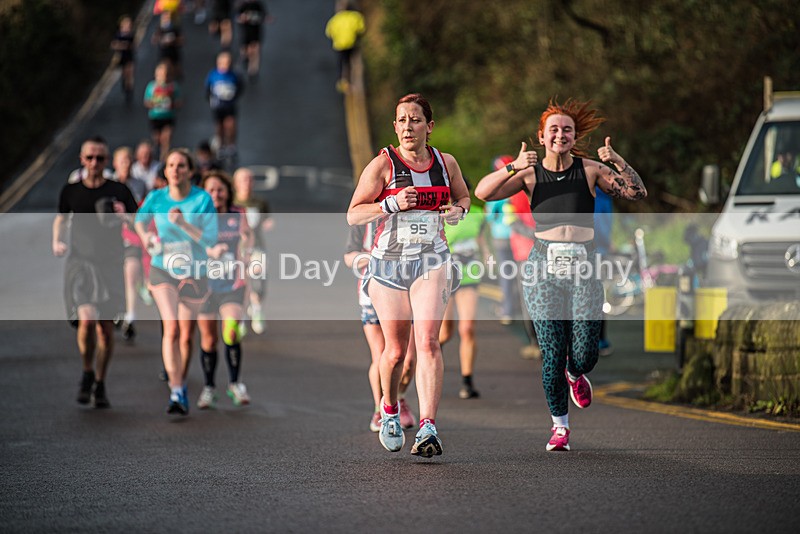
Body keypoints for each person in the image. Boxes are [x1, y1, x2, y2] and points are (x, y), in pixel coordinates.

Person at [475, 98, 647, 452]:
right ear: (541, 137)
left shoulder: (591, 170)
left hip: (584, 266)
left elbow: (636, 192)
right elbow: (482, 192)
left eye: (567, 129)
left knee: (586, 353)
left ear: (574, 136)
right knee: (551, 353)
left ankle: (576, 372)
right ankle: (560, 426)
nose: (560, 135)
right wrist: (513, 167)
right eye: (553, 129)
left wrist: (619, 162)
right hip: (542, 267)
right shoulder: (528, 174)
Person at [347, 93, 470, 457]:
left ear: (429, 126)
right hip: (388, 264)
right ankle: (388, 409)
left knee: (428, 342)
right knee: (395, 352)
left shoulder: (446, 163)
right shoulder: (382, 164)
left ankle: (429, 427)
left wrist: (458, 212)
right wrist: (390, 203)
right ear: (395, 126)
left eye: (415, 120)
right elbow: (353, 214)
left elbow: (464, 199)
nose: (407, 127)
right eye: (401, 120)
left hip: (431, 260)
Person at [52, 136, 138, 408]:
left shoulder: (119, 190)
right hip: (81, 264)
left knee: (106, 331)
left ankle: (100, 382)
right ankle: (87, 371)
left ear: (106, 160)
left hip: (110, 264)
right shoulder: (71, 191)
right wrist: (57, 240)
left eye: (100, 158)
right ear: (82, 160)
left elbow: (138, 223)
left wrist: (125, 216)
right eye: (89, 157)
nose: (94, 162)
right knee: (87, 320)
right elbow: (61, 218)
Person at [135, 149, 218, 415]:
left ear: (190, 171)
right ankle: (177, 390)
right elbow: (139, 220)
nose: (175, 170)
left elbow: (210, 239)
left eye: (181, 165)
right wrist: (146, 238)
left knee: (186, 335)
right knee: (171, 328)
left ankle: (179, 382)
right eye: (171, 165)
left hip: (194, 272)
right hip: (163, 269)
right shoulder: (156, 197)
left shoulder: (202, 199)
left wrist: (182, 223)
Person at [344, 223, 417, 432]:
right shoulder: (366, 217)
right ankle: (380, 410)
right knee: (381, 356)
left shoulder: (408, 213)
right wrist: (375, 257)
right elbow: (349, 257)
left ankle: (398, 397)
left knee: (408, 360)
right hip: (372, 292)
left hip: (407, 291)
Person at [196, 171, 254, 409]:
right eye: (210, 190)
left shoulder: (238, 215)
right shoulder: (198, 217)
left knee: (231, 332)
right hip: (205, 285)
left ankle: (235, 383)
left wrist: (249, 255)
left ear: (228, 192)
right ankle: (209, 387)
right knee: (209, 340)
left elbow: (248, 242)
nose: (216, 194)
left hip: (231, 284)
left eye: (220, 189)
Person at [439, 181, 486, 399]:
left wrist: (488, 259)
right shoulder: (439, 214)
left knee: (467, 328)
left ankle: (467, 381)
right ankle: (430, 357)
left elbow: (480, 240)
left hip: (469, 275)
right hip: (445, 276)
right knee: (444, 332)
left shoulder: (477, 213)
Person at [111, 146, 148, 341]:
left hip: (131, 235)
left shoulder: (140, 185)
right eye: (122, 160)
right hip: (109, 238)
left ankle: (130, 317)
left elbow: (144, 212)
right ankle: (116, 310)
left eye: (128, 160)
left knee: (130, 273)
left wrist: (127, 216)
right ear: (114, 163)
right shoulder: (107, 185)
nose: (126, 164)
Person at [232, 167, 272, 334]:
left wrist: (268, 223)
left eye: (249, 179)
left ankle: (256, 308)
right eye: (243, 180)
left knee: (258, 272)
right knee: (241, 283)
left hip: (256, 247)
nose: (247, 183)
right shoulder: (231, 202)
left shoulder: (259, 203)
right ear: (236, 183)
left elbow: (266, 219)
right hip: (237, 250)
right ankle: (240, 317)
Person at [483, 156, 518, 325]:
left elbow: (490, 216)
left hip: (501, 238)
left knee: (506, 274)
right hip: (520, 237)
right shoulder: (520, 186)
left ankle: (507, 311)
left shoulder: (497, 190)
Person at [205, 51, 243, 162]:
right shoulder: (213, 75)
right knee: (219, 126)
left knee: (231, 125)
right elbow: (207, 89)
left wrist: (234, 96)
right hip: (218, 106)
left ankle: (231, 146)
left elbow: (240, 87)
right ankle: (221, 146)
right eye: (223, 62)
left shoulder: (234, 75)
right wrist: (210, 99)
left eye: (228, 63)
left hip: (230, 106)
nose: (225, 65)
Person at [144, 61, 182, 160]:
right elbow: (146, 101)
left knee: (166, 138)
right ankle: (156, 152)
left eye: (165, 74)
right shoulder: (152, 86)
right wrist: (155, 104)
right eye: (160, 75)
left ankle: (163, 159)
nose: (163, 77)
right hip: (155, 117)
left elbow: (179, 102)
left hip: (169, 117)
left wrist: (171, 104)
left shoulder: (173, 86)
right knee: (157, 139)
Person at [324, 1, 365, 92]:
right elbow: (361, 29)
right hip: (352, 43)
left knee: (342, 63)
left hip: (340, 45)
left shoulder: (335, 19)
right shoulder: (355, 16)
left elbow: (328, 32)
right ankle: (354, 82)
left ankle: (343, 81)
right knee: (353, 63)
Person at [594, 185, 614, 357]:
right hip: (600, 251)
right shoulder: (604, 197)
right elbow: (603, 225)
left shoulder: (584, 191)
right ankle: (601, 340)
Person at [237, 0, 270, 80]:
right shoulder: (243, 6)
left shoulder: (258, 5)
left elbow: (265, 16)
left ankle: (253, 71)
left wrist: (266, 19)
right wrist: (242, 18)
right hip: (246, 32)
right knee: (245, 50)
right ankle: (245, 60)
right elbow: (237, 18)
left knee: (255, 51)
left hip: (256, 32)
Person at [111, 15, 136, 104]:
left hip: (129, 57)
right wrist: (123, 46)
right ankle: (125, 86)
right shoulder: (118, 35)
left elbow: (132, 45)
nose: (128, 27)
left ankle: (129, 91)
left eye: (129, 25)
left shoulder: (131, 35)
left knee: (129, 73)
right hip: (121, 57)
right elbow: (113, 44)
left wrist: (122, 45)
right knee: (124, 74)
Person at [153, 10, 184, 79]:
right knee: (166, 68)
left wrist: (173, 40)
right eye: (165, 17)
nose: (166, 19)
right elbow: (154, 40)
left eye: (168, 17)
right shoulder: (159, 29)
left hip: (173, 53)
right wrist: (161, 40)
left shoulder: (175, 28)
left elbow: (182, 40)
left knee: (176, 71)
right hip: (164, 53)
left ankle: (176, 78)